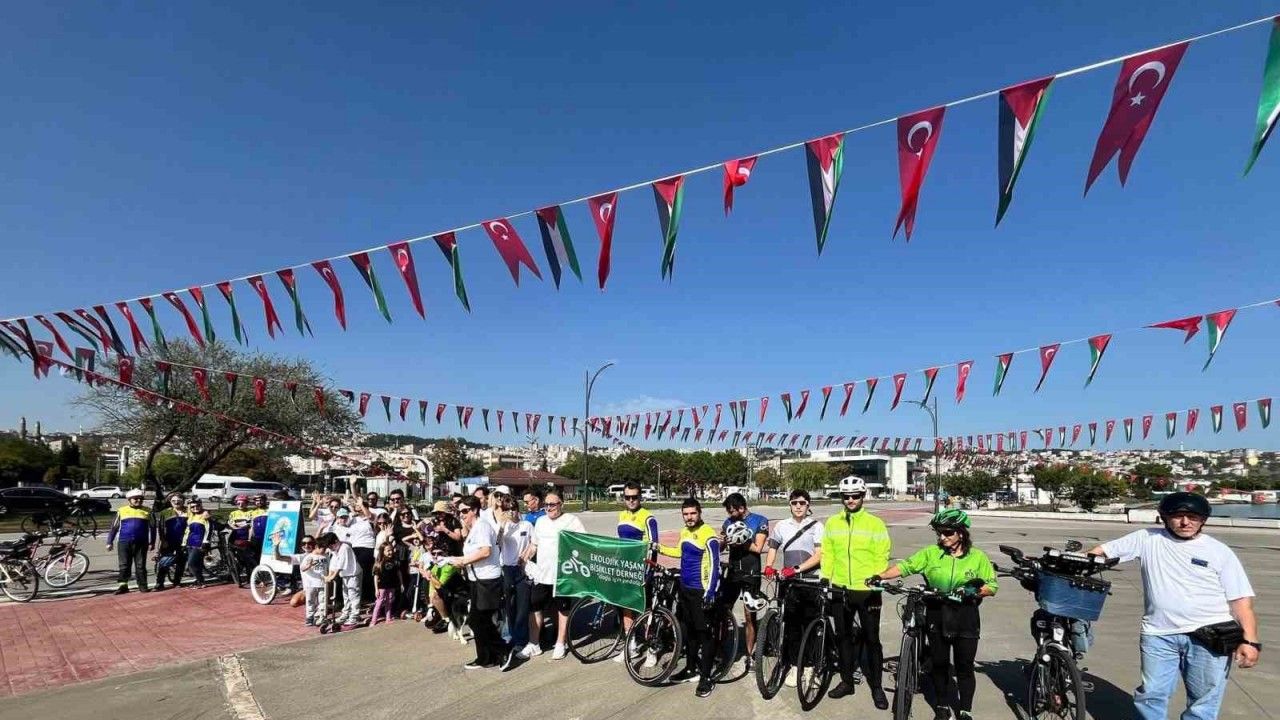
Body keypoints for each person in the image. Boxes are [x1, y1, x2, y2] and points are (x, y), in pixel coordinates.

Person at [1088, 492, 1259, 720]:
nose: (1185, 522)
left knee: (1204, 700)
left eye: (1193, 517)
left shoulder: (1219, 551)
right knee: (1151, 695)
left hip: (1209, 636)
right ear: (1165, 518)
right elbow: (1104, 551)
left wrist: (1250, 641)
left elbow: (1241, 601)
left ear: (1203, 520)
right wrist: (1075, 561)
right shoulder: (1147, 538)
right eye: (1178, 516)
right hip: (1158, 634)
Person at [869, 509, 997, 720]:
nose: (942, 538)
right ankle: (942, 705)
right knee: (940, 663)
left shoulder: (978, 557)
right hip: (936, 612)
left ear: (961, 533)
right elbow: (906, 566)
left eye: (947, 533)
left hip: (965, 616)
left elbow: (992, 586)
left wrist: (974, 590)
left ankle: (965, 709)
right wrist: (880, 576)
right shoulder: (931, 553)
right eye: (939, 533)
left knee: (964, 666)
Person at [820, 478, 891, 708]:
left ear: (863, 496)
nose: (851, 500)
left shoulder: (875, 524)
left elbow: (882, 553)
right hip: (840, 587)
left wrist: (878, 577)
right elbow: (828, 553)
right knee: (843, 638)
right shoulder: (832, 522)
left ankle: (877, 687)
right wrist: (825, 577)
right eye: (846, 496)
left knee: (872, 639)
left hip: (867, 590)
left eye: (855, 496)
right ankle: (847, 681)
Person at [657, 497, 722, 698]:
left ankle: (706, 677)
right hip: (684, 589)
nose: (689, 517)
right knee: (689, 632)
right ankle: (691, 669)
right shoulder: (685, 532)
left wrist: (710, 592)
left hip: (701, 591)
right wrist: (658, 548)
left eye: (693, 513)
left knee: (705, 635)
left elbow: (715, 565)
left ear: (700, 512)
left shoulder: (708, 535)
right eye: (685, 514)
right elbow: (679, 552)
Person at [763, 488, 824, 687]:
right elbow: (772, 547)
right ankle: (794, 667)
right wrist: (769, 566)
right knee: (791, 626)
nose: (798, 506)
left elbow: (819, 555)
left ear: (808, 505)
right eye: (794, 503)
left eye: (802, 503)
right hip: (789, 583)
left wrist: (796, 569)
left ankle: (810, 668)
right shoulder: (782, 526)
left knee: (810, 626)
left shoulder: (816, 526)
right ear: (789, 505)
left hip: (810, 581)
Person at [522, 488, 585, 660]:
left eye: (553, 504)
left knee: (562, 609)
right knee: (535, 607)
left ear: (561, 504)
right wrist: (524, 558)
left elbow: (584, 544)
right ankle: (534, 644)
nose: (549, 508)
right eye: (546, 505)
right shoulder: (541, 521)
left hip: (562, 576)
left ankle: (560, 643)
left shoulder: (572, 521)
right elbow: (534, 544)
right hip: (542, 575)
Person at [447, 496, 506, 670]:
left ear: (474, 510)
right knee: (476, 621)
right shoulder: (474, 528)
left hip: (487, 580)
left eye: (465, 511)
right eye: (460, 511)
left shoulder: (482, 526)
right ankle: (486, 657)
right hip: (476, 580)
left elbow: (486, 551)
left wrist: (463, 561)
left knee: (481, 620)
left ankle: (502, 649)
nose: (462, 514)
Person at [720, 492, 769, 669]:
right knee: (724, 610)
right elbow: (721, 546)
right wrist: (723, 541)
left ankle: (750, 654)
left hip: (751, 573)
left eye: (732, 511)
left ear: (742, 508)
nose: (730, 515)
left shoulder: (760, 520)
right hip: (733, 572)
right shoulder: (728, 522)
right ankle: (721, 648)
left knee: (749, 615)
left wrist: (740, 540)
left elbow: (758, 547)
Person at [615, 481, 660, 661]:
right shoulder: (622, 515)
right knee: (626, 607)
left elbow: (653, 547)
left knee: (645, 609)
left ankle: (652, 648)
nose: (631, 500)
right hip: (625, 568)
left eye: (635, 497)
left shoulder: (648, 517)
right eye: (628, 497)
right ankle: (631, 643)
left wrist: (648, 572)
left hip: (641, 569)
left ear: (640, 497)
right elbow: (620, 542)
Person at [496, 494, 534, 670]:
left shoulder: (526, 524)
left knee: (522, 606)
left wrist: (526, 556)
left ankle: (521, 640)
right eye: (507, 509)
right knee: (508, 606)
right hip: (507, 569)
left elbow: (534, 543)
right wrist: (503, 524)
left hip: (522, 568)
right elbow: (497, 543)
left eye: (513, 508)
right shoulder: (504, 527)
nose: (511, 512)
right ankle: (509, 636)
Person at [274, 532, 332, 626]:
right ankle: (312, 615)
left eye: (309, 543)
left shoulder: (324, 554)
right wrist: (276, 546)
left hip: (322, 584)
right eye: (304, 544)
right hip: (309, 587)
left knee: (322, 600)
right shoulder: (301, 557)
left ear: (315, 544)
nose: (306, 545)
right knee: (294, 602)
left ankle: (322, 612)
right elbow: (278, 557)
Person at [105, 488, 156, 594]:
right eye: (135, 499)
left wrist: (152, 542)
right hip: (124, 542)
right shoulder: (121, 510)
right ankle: (123, 586)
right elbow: (114, 527)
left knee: (140, 565)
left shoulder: (148, 511)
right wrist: (109, 541)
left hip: (142, 542)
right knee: (124, 565)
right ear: (129, 500)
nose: (138, 500)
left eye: (141, 499)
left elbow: (153, 527)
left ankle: (143, 586)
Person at [155, 492, 188, 591]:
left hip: (184, 541)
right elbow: (161, 528)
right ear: (170, 502)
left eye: (179, 500)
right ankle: (159, 583)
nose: (176, 502)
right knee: (165, 562)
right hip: (169, 540)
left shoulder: (189, 511)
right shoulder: (165, 512)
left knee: (181, 562)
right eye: (173, 500)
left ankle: (177, 581)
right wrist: (163, 540)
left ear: (183, 501)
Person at [328, 532, 362, 628]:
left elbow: (341, 564)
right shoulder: (335, 549)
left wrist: (333, 575)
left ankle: (354, 615)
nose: (330, 548)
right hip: (345, 575)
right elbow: (334, 563)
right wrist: (329, 575)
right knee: (346, 596)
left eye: (331, 545)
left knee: (353, 595)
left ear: (336, 541)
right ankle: (346, 613)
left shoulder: (344, 548)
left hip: (353, 574)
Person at [183, 498, 213, 588]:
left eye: (198, 505)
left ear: (201, 505)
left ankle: (201, 581)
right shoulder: (191, 517)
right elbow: (188, 531)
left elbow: (209, 529)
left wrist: (206, 541)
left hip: (200, 544)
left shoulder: (205, 515)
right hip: (190, 543)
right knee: (198, 564)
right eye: (193, 506)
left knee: (191, 563)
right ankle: (199, 581)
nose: (195, 508)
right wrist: (184, 543)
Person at [371, 543, 401, 625]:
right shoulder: (379, 562)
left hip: (392, 585)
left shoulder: (395, 561)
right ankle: (374, 619)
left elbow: (398, 573)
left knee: (389, 601)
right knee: (379, 602)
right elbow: (376, 576)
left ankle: (388, 617)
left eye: (391, 550)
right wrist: (376, 589)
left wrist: (401, 583)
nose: (390, 552)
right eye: (388, 551)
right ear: (382, 551)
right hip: (382, 586)